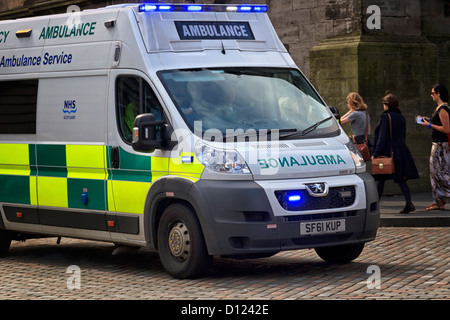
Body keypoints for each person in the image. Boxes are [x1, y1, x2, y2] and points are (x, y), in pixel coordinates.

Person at [372, 93, 419, 214]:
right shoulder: (401, 117)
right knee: (400, 178)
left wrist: (375, 154)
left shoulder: (386, 117)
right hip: (401, 150)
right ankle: (408, 203)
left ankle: (375, 206)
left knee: (381, 178)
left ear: (386, 105)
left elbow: (382, 137)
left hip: (388, 152)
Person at [419, 84, 450, 211]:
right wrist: (427, 121)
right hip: (438, 144)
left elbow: (446, 128)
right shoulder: (439, 108)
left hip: (440, 145)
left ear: (438, 93)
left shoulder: (443, 109)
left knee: (439, 173)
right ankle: (439, 201)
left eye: (432, 93)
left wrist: (429, 125)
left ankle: (441, 199)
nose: (431, 95)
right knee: (436, 173)